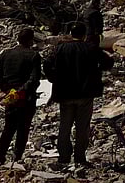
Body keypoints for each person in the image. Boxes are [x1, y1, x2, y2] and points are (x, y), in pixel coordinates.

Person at [43, 22, 114, 167]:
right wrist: (97, 72)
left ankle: (63, 157)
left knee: (64, 126)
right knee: (83, 127)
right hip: (85, 94)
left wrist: (54, 78)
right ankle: (80, 158)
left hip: (65, 94)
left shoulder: (60, 49)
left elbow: (46, 64)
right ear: (84, 34)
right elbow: (108, 62)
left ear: (70, 33)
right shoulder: (90, 48)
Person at [0, 28, 42, 165]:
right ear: (31, 40)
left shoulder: (5, 54)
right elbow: (34, 80)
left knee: (8, 127)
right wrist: (21, 91)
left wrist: (9, 91)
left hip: (11, 96)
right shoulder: (33, 56)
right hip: (26, 98)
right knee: (23, 128)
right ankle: (17, 157)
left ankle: (0, 157)